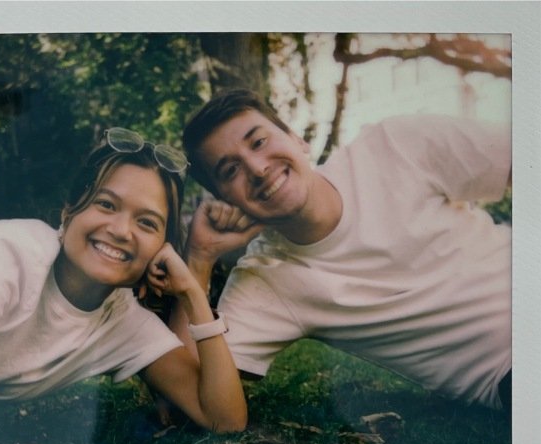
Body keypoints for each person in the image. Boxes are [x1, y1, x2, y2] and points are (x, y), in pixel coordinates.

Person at [0, 128, 247, 444]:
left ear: (162, 249)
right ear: (69, 210)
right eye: (107, 205)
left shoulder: (121, 320)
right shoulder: (5, 256)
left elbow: (225, 419)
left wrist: (194, 293)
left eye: (147, 223)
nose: (121, 230)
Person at [176, 88, 512, 412]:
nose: (258, 168)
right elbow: (187, 392)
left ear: (297, 139)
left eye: (259, 142)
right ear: (225, 200)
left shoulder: (394, 144)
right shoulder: (268, 280)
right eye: (230, 170)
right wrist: (198, 258)